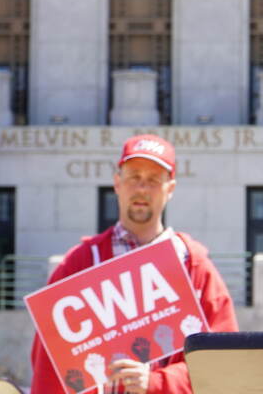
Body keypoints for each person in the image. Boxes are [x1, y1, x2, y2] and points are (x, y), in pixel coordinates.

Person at [29, 135, 238, 394]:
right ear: (117, 183)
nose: (142, 188)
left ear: (170, 188)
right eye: (134, 177)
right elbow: (47, 364)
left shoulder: (193, 266)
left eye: (153, 180)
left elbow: (223, 362)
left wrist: (155, 383)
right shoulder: (79, 263)